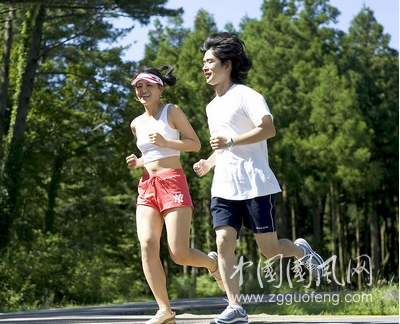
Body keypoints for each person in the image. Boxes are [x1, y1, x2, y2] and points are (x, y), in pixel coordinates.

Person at [193, 33, 326, 324]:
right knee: (223, 240)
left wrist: (230, 142)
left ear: (227, 64)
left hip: (254, 183)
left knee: (270, 250)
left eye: (209, 61)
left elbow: (268, 129)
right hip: (224, 186)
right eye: (203, 62)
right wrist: (209, 162)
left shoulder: (247, 96)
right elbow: (223, 146)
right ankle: (235, 307)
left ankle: (301, 250)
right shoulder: (211, 106)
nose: (204, 67)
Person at [126, 65, 224, 324]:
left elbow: (195, 144)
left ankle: (213, 264)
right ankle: (164, 310)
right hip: (147, 185)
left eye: (148, 85)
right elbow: (151, 154)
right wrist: (140, 162)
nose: (143, 90)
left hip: (172, 182)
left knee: (178, 253)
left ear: (160, 88)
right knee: (147, 244)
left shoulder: (172, 111)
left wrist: (167, 142)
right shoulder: (136, 123)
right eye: (138, 86)